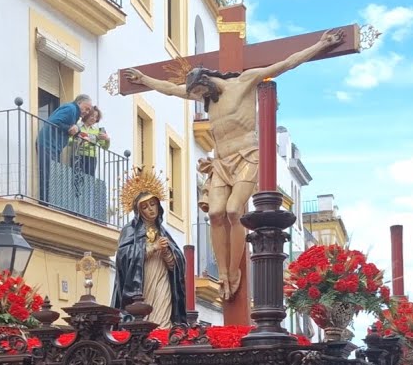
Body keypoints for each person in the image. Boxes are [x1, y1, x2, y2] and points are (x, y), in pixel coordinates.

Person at [123, 28, 342, 300]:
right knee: (215, 213)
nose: (201, 100)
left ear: (209, 81)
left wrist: (319, 45)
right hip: (221, 162)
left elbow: (286, 63)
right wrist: (144, 79)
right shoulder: (205, 96)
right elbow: (170, 89)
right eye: (197, 94)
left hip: (248, 155)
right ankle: (223, 272)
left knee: (233, 210)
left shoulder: (245, 82)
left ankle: (234, 271)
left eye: (202, 91)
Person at [111, 169, 189, 329]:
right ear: (139, 211)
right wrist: (152, 247)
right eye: (145, 207)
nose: (150, 209)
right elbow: (122, 256)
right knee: (143, 316)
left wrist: (168, 252)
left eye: (153, 204)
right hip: (140, 281)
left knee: (162, 318)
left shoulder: (164, 232)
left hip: (161, 278)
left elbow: (176, 266)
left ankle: (161, 345)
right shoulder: (130, 230)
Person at [35, 94, 92, 203]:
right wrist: (69, 128)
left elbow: (67, 128)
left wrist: (78, 133)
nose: (87, 112)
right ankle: (44, 203)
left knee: (51, 175)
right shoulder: (70, 108)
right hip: (47, 144)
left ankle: (48, 201)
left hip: (53, 147)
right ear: (79, 103)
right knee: (47, 175)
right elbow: (54, 121)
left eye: (89, 110)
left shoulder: (73, 113)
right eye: (87, 108)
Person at [72, 106, 108, 178]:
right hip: (78, 155)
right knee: (77, 178)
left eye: (96, 117)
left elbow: (105, 147)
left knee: (89, 179)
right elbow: (70, 141)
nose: (94, 118)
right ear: (87, 115)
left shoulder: (97, 130)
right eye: (92, 116)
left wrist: (107, 139)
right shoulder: (77, 126)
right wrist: (81, 139)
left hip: (92, 157)